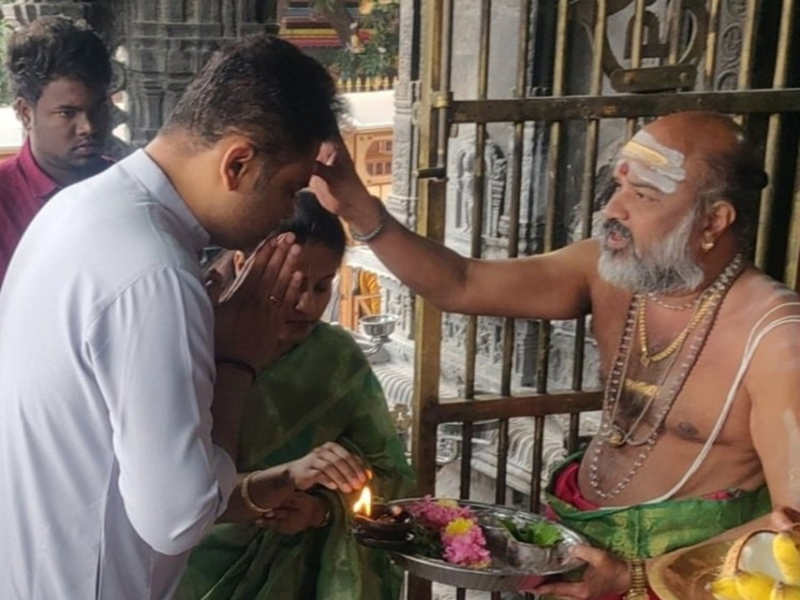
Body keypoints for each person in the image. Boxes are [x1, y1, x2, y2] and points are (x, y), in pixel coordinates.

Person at [309, 111, 800, 600]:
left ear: (714, 220)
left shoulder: (775, 336)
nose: (613, 210)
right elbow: (461, 283)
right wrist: (359, 209)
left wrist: (638, 577)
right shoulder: (609, 272)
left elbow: (794, 529)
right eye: (618, 187)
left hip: (681, 582)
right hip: (575, 544)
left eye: (643, 196)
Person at [0, 35, 369, 600]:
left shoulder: (79, 208)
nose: (284, 215)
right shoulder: (157, 272)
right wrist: (236, 360)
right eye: (289, 188)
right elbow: (176, 521)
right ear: (238, 163)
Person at [177, 191, 417, 600]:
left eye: (322, 287)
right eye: (295, 284)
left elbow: (394, 480)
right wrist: (273, 484)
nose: (308, 304)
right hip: (189, 570)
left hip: (294, 574)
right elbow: (165, 487)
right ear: (245, 266)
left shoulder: (337, 360)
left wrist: (322, 510)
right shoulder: (189, 345)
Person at [0, 15, 114, 286]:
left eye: (98, 108)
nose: (88, 126)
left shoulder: (125, 186)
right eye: (67, 113)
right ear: (25, 113)